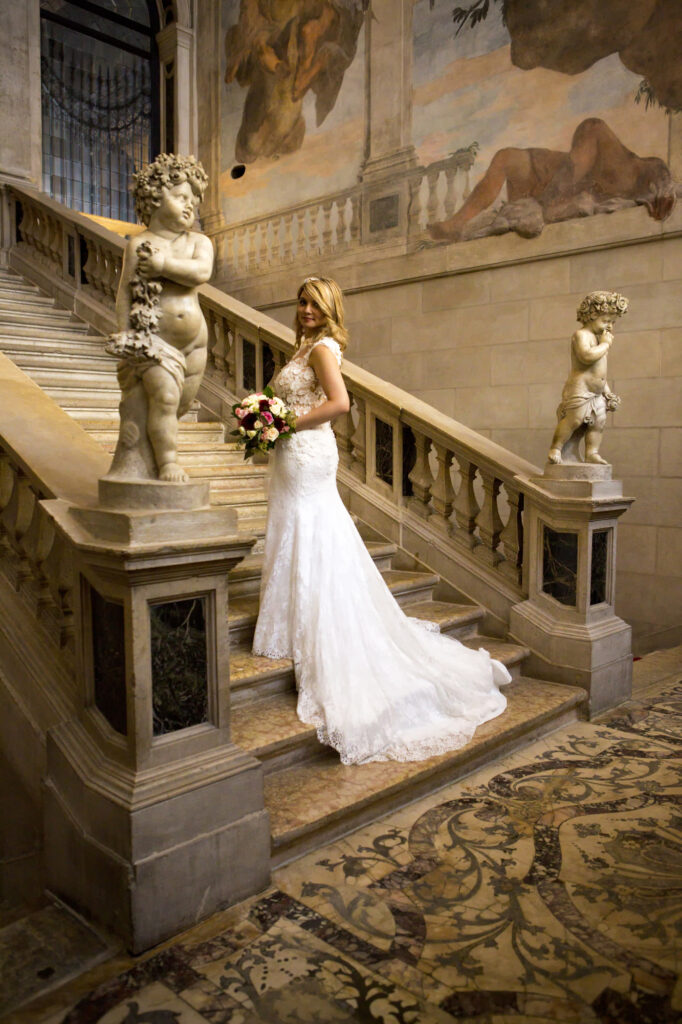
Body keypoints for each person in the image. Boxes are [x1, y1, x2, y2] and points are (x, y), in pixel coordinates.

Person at [252, 276, 510, 765]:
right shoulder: (302, 348)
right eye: (302, 301)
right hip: (291, 454)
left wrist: (283, 423)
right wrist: (262, 418)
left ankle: (317, 626)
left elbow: (340, 404)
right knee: (292, 531)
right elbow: (282, 397)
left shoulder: (323, 349)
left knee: (312, 534)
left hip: (307, 453)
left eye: (315, 303)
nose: (306, 309)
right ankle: (285, 624)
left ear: (330, 308)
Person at [106, 154, 213, 483]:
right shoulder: (139, 244)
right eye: (181, 197)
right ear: (154, 197)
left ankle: (151, 458)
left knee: (177, 406)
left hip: (196, 346)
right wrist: (126, 338)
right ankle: (168, 463)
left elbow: (201, 273)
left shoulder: (198, 242)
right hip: (154, 342)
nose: (188, 206)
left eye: (193, 201)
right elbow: (125, 293)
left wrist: (164, 266)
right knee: (165, 398)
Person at [428, 118, 676, 243]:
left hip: (554, 191)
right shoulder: (617, 161)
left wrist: (665, 187)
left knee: (591, 127)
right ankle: (457, 223)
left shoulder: (629, 169)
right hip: (549, 181)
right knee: (505, 157)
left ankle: (539, 203)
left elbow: (657, 170)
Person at [548, 291, 628, 466]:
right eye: (606, 321)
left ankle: (592, 452)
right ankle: (556, 447)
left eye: (612, 322)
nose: (610, 327)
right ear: (592, 315)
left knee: (598, 423)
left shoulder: (599, 339)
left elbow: (600, 373)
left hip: (596, 393)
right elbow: (586, 357)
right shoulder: (581, 335)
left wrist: (607, 393)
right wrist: (606, 344)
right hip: (580, 389)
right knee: (573, 420)